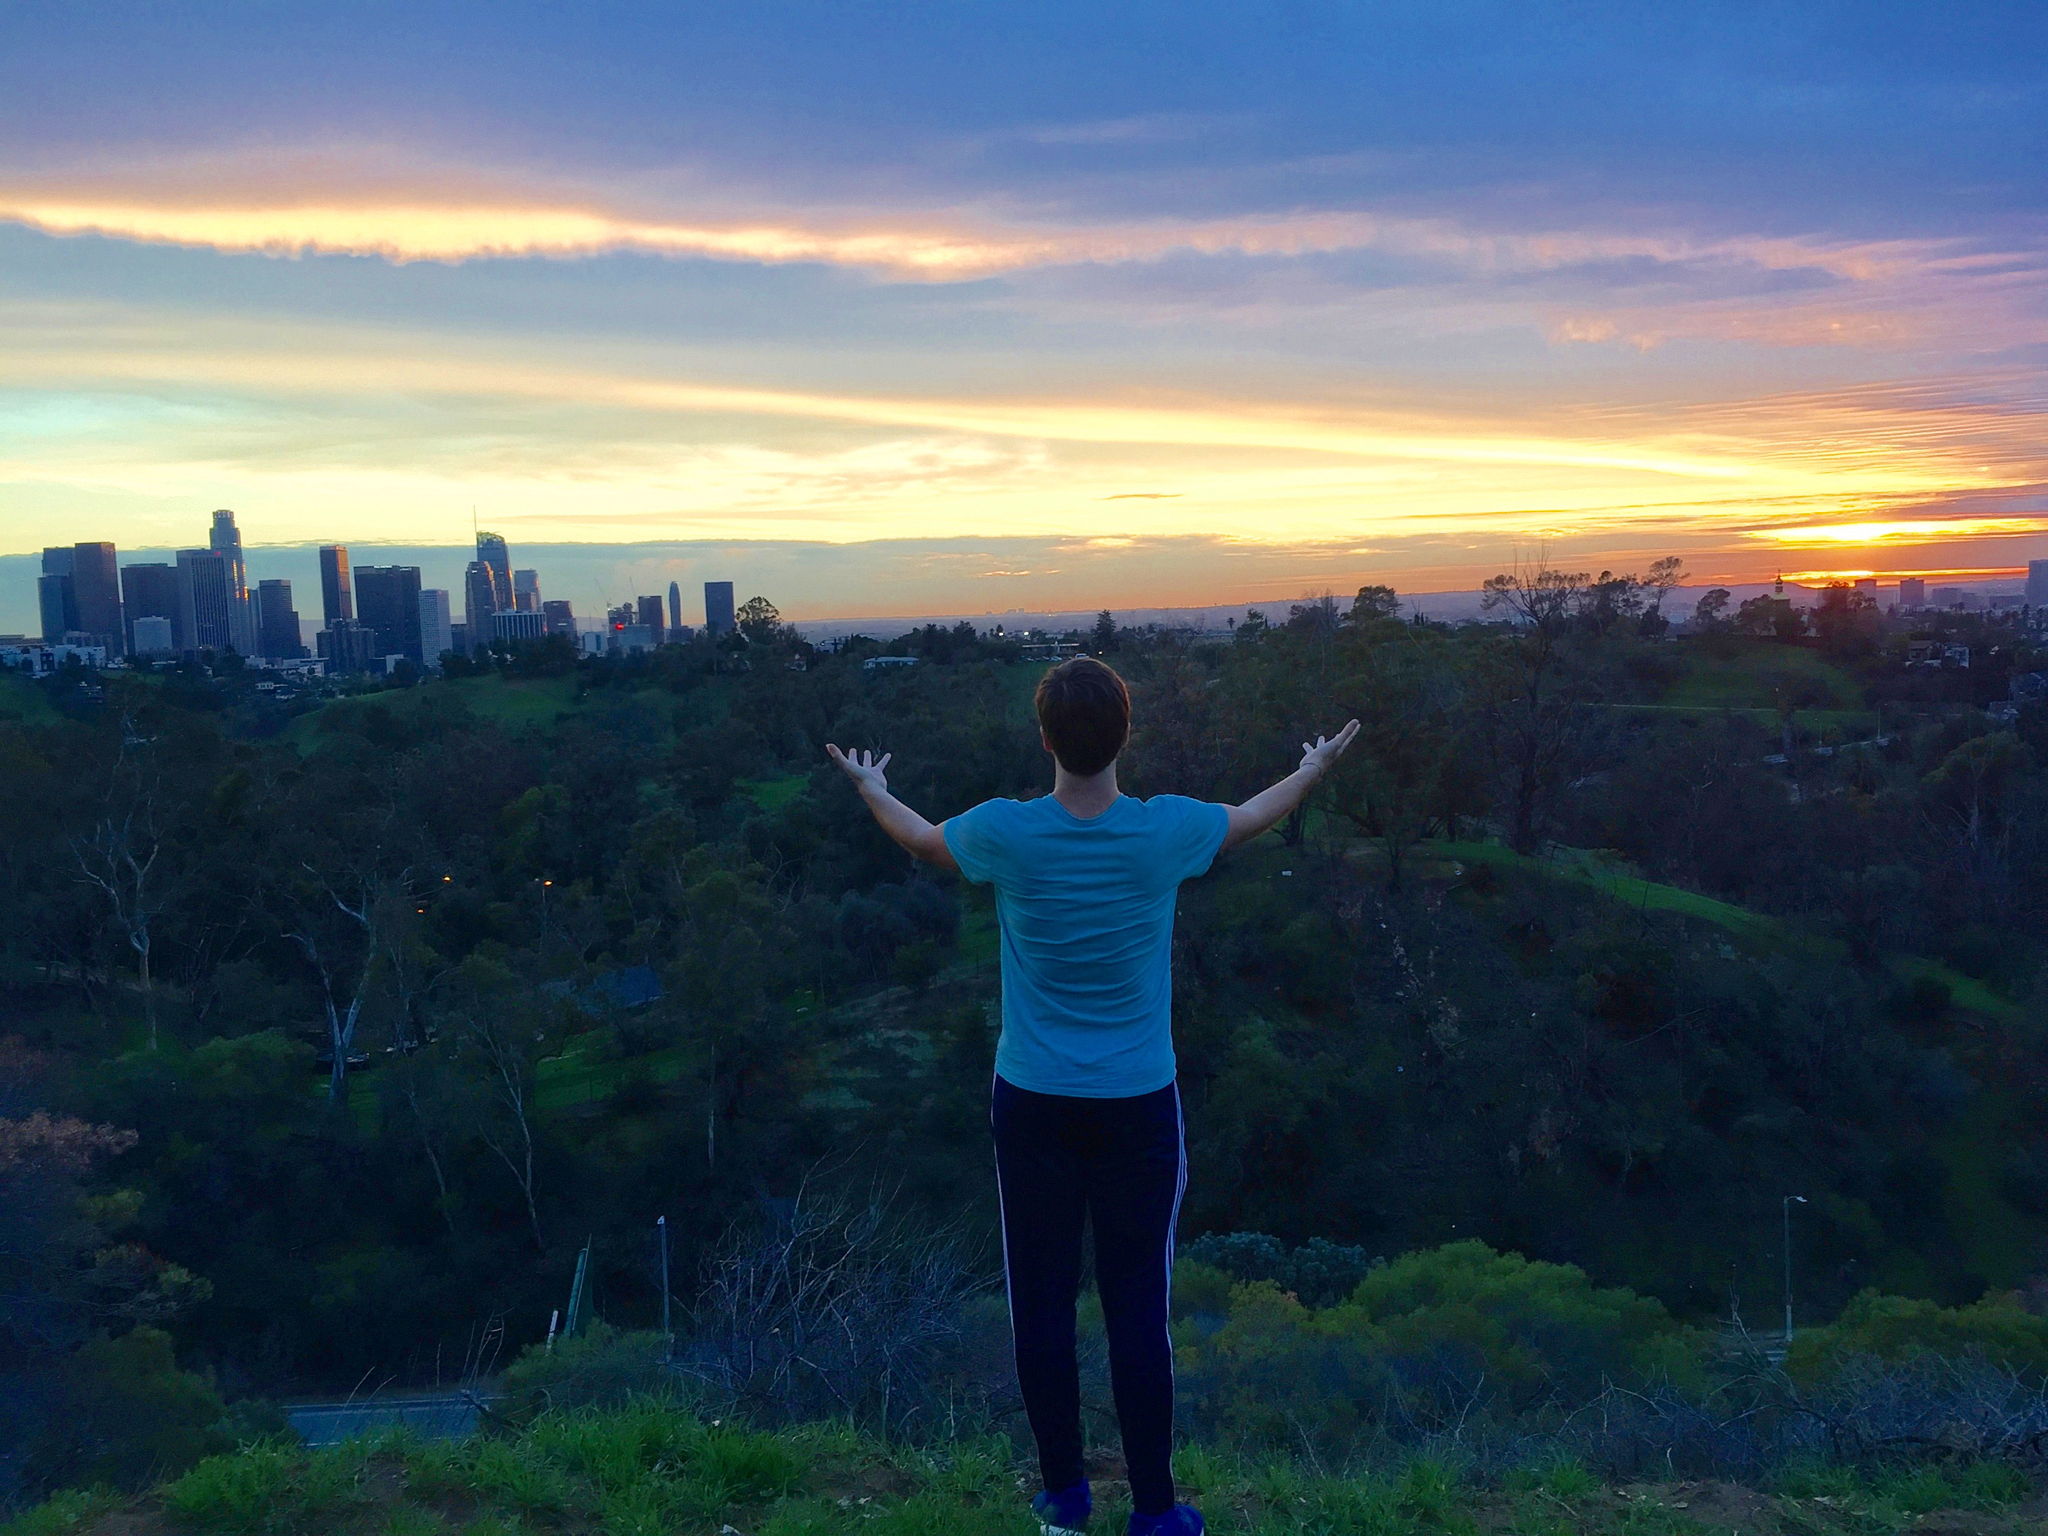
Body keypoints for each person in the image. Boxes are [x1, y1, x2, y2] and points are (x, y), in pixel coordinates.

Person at [828, 655, 1357, 1536]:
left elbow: (920, 839)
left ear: (1045, 740)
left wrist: (870, 785)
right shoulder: (1165, 832)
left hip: (1032, 1100)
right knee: (1136, 1306)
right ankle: (1153, 1510)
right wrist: (1312, 768)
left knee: (1039, 1299)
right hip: (1138, 1105)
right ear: (1126, 734)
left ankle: (1065, 1498)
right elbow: (1258, 815)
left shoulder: (1006, 832)